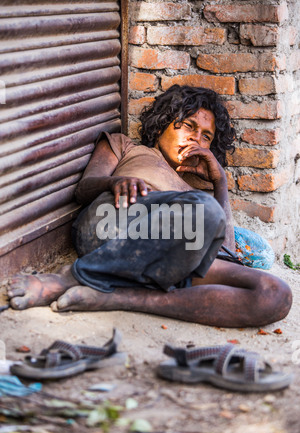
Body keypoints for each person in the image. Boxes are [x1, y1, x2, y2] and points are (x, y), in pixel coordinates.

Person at [6, 86, 292, 327]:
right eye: (189, 126)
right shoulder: (127, 147)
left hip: (172, 258)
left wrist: (220, 183)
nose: (196, 138)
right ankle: (69, 278)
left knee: (275, 294)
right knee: (203, 210)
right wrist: (114, 181)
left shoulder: (196, 196)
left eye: (206, 136)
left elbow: (223, 252)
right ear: (162, 124)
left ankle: (113, 297)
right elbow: (84, 187)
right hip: (114, 226)